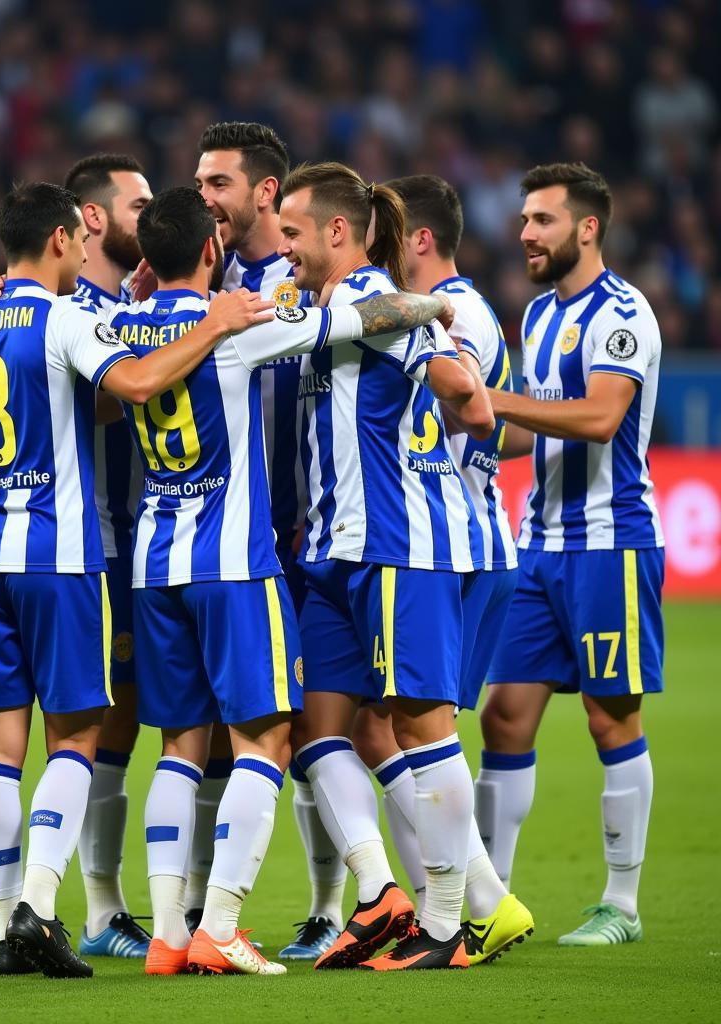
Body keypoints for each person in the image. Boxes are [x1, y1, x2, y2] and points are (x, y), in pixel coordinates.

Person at [0, 181, 274, 978]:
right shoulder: (66, 319)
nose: (86, 252)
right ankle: (39, 912)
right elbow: (142, 386)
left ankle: (3, 926)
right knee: (75, 737)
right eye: (76, 242)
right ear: (54, 238)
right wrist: (214, 321)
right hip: (58, 555)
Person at [112, 186, 455, 978]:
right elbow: (363, 318)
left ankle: (167, 934)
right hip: (234, 565)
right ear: (210, 253)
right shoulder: (238, 324)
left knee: (177, 751)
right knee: (265, 743)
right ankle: (222, 926)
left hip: (153, 566)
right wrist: (430, 308)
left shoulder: (118, 329)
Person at [279, 162, 494, 971]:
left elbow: (468, 401)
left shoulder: (377, 304)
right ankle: (382, 898)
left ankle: (446, 926)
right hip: (333, 552)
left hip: (397, 546)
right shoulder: (327, 306)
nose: (286, 249)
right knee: (314, 727)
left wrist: (437, 322)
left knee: (419, 726)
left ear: (338, 230)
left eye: (295, 234)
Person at [351, 173, 534, 966]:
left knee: (413, 727)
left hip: (443, 541)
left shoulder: (441, 319)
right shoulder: (479, 316)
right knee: (395, 724)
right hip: (470, 538)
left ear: (418, 241)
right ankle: (469, 899)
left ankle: (463, 909)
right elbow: (510, 430)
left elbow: (478, 414)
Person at [482, 162, 664, 947]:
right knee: (504, 718)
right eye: (525, 219)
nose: (525, 232)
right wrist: (469, 432)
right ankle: (487, 902)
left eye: (542, 221)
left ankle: (621, 905)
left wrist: (484, 397)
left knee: (608, 716)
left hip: (611, 543)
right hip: (541, 545)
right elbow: (534, 427)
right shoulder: (540, 315)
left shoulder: (623, 314)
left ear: (586, 228)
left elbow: (596, 418)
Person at [193, 121, 341, 960]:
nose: (205, 197)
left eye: (220, 183)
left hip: (304, 532)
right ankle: (197, 915)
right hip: (226, 538)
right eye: (200, 183)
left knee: (321, 727)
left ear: (265, 193)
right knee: (224, 733)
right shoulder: (192, 283)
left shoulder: (301, 275)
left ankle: (325, 904)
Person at [63, 153, 155, 960]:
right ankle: (98, 906)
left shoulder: (133, 302)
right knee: (97, 721)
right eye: (139, 203)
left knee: (142, 718)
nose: (151, 215)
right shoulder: (68, 313)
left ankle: (173, 906)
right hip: (96, 545)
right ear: (93, 218)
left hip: (149, 543)